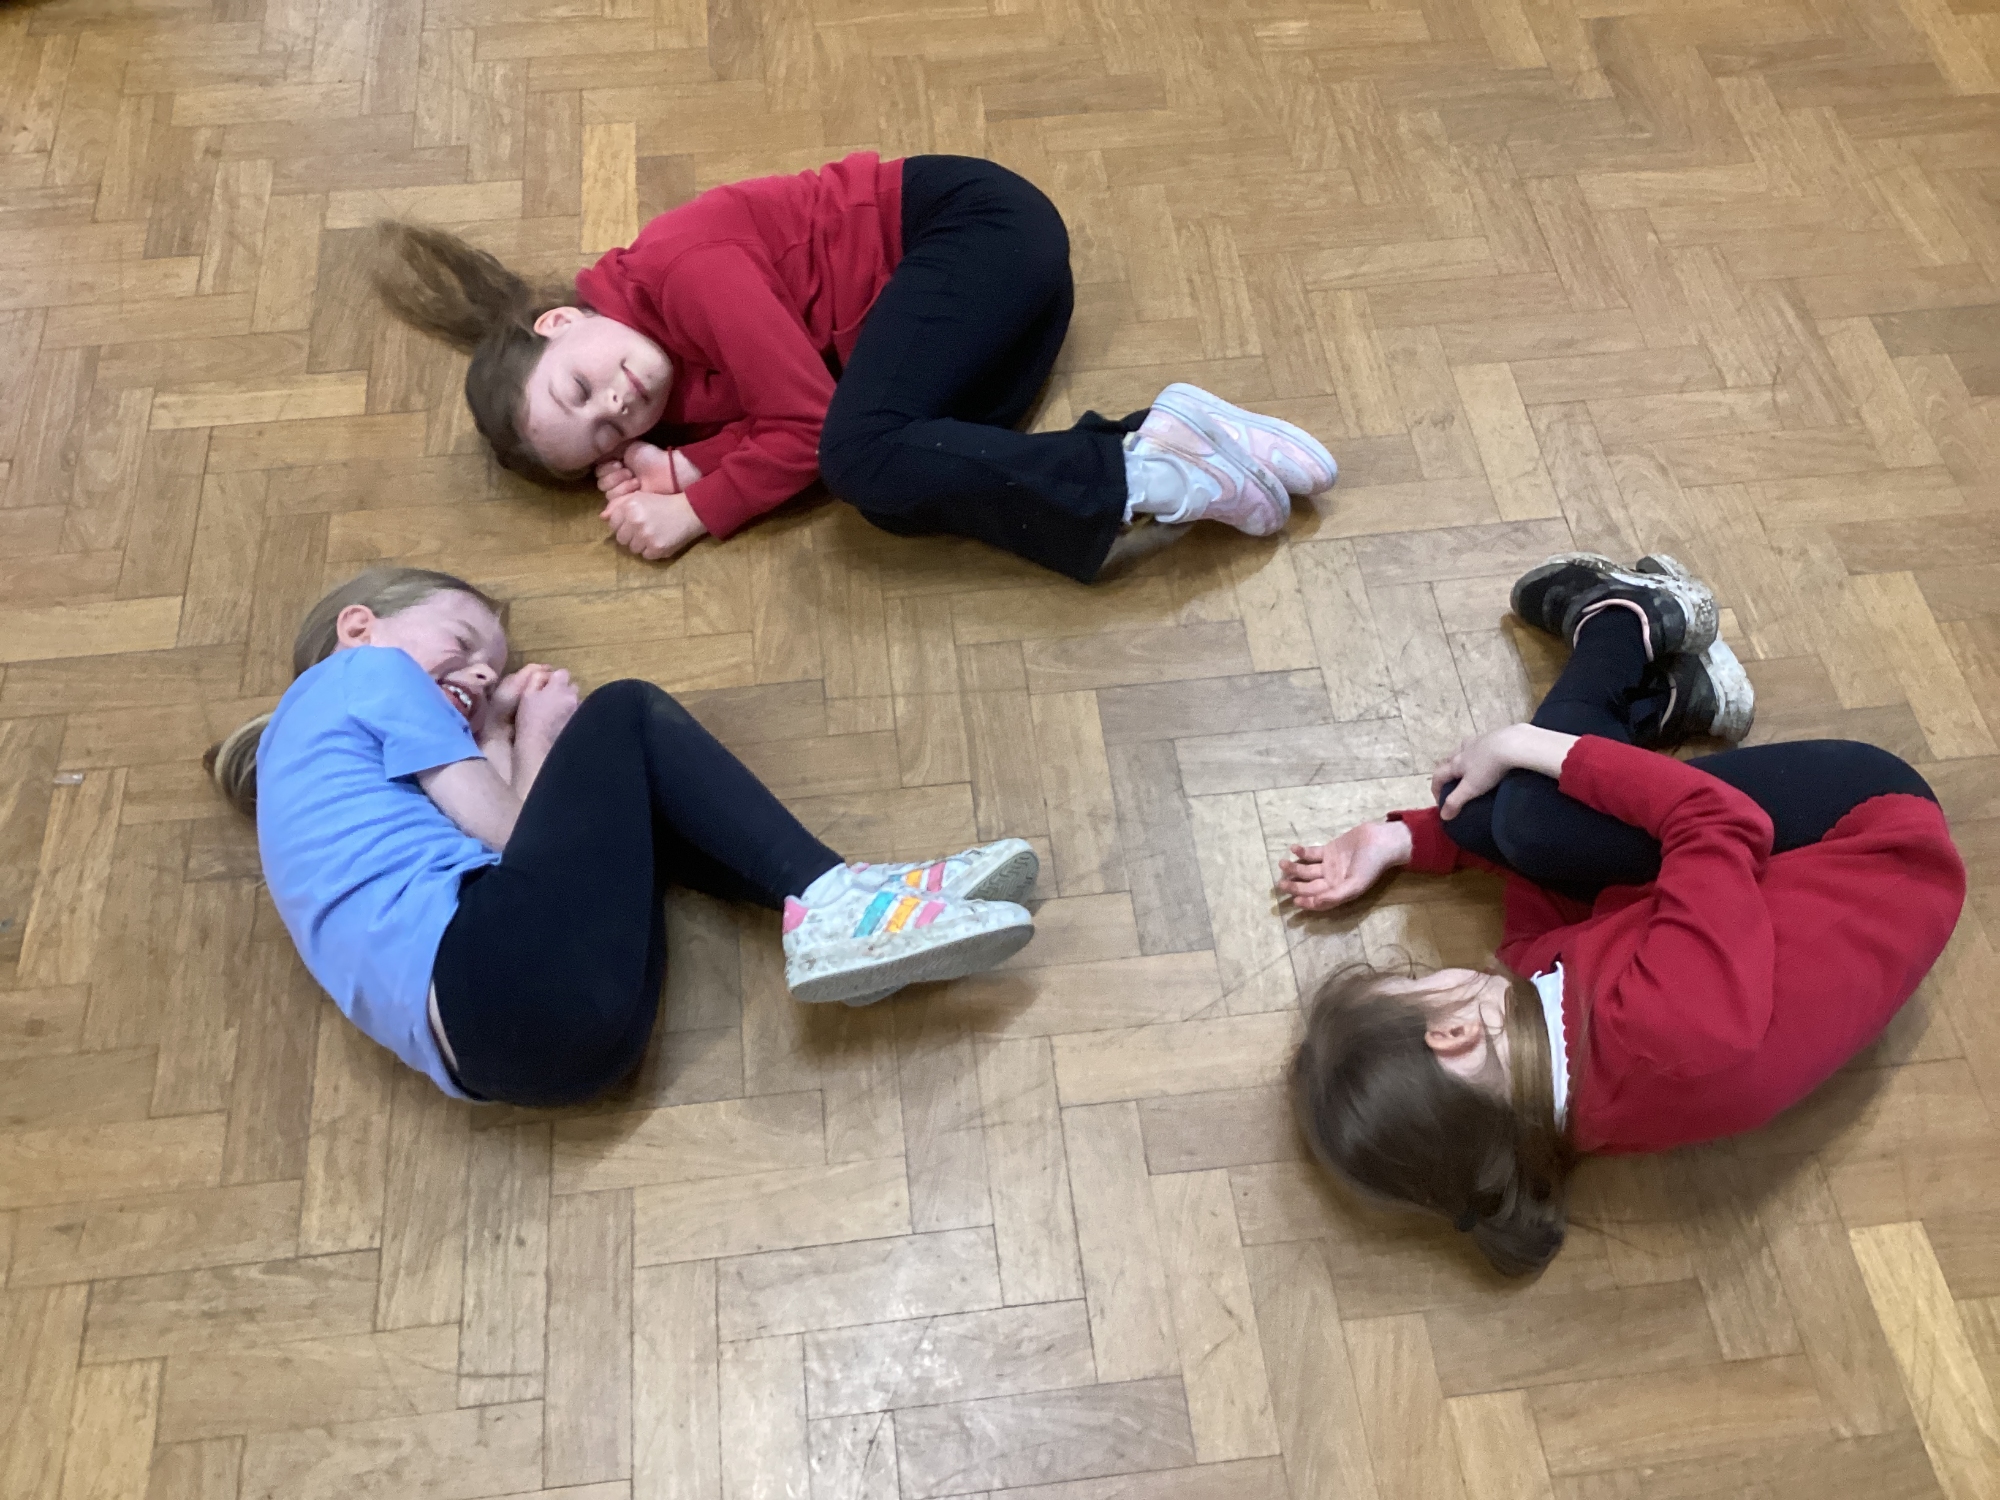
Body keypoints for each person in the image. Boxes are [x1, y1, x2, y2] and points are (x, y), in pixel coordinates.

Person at [1274, 552, 1966, 1275]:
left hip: (1763, 890)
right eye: (1416, 980)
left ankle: (1675, 702)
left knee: (1511, 824)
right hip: (1872, 832)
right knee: (1528, 810)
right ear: (1450, 1035)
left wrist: (1408, 840)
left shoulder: (1552, 1084)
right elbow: (1718, 819)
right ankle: (1623, 620)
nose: (1438, 971)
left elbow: (1541, 890)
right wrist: (1523, 743)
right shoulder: (1666, 1028)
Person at [206, 567, 1040, 1107]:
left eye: (490, 664)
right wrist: (536, 731)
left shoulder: (320, 762)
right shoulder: (366, 672)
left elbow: (521, 852)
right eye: (462, 644)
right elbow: (512, 832)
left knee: (629, 799)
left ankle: (847, 904)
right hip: (494, 979)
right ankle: (833, 900)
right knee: (624, 714)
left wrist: (496, 733)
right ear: (359, 626)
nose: (484, 672)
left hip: (542, 1058)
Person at [372, 152, 1337, 581]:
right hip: (980, 315)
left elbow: (804, 425)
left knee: (858, 459)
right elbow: (796, 416)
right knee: (894, 488)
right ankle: (1172, 442)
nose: (622, 402)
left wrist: (694, 503)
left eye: (582, 386)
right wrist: (686, 457)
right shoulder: (653, 368)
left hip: (977, 234)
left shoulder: (681, 270)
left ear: (562, 319)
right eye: (606, 433)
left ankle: (1144, 476)